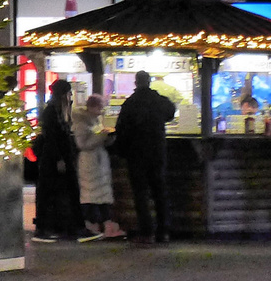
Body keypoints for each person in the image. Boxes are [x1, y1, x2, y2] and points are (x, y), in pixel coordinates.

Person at [114, 70, 177, 243]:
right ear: (149, 82)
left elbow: (121, 130)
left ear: (136, 83)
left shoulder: (130, 103)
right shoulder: (159, 101)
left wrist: (121, 151)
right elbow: (171, 112)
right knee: (159, 192)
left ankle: (146, 232)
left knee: (140, 194)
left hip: (136, 155)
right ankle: (163, 232)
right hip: (157, 152)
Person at [32, 79, 84, 241]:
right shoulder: (53, 112)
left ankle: (62, 225)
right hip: (55, 158)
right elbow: (54, 137)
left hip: (56, 157)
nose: (70, 97)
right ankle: (49, 227)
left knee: (58, 191)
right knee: (55, 191)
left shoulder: (56, 110)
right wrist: (59, 158)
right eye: (69, 93)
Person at [72, 94, 118, 241]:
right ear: (92, 107)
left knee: (100, 195)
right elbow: (82, 144)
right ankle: (92, 225)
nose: (102, 110)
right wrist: (102, 137)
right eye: (100, 107)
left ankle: (102, 225)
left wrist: (107, 139)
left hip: (98, 162)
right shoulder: (81, 122)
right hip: (90, 164)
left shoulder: (94, 120)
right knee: (90, 195)